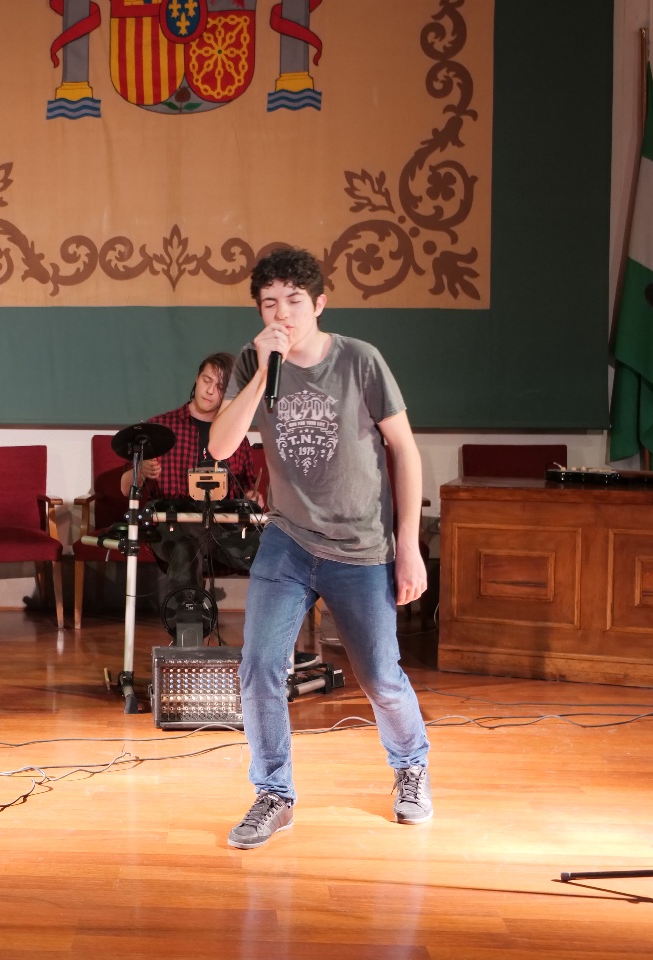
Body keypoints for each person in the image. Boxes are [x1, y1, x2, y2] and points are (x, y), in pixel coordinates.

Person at [208, 247, 430, 848]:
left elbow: (405, 451)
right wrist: (263, 371)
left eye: (294, 301)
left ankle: (411, 766)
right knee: (259, 666)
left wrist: (408, 546)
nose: (282, 314)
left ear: (320, 304)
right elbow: (221, 447)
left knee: (380, 677)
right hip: (288, 540)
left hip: (361, 545)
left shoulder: (360, 360)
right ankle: (273, 793)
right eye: (269, 304)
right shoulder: (256, 362)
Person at [119, 353, 265, 603]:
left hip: (223, 527)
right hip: (174, 526)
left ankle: (272, 622)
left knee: (270, 549)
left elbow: (248, 491)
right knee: (185, 546)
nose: (210, 391)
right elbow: (125, 488)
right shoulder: (160, 428)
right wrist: (140, 470)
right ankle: (189, 619)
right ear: (196, 379)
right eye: (206, 380)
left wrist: (254, 498)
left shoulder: (235, 436)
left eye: (219, 387)